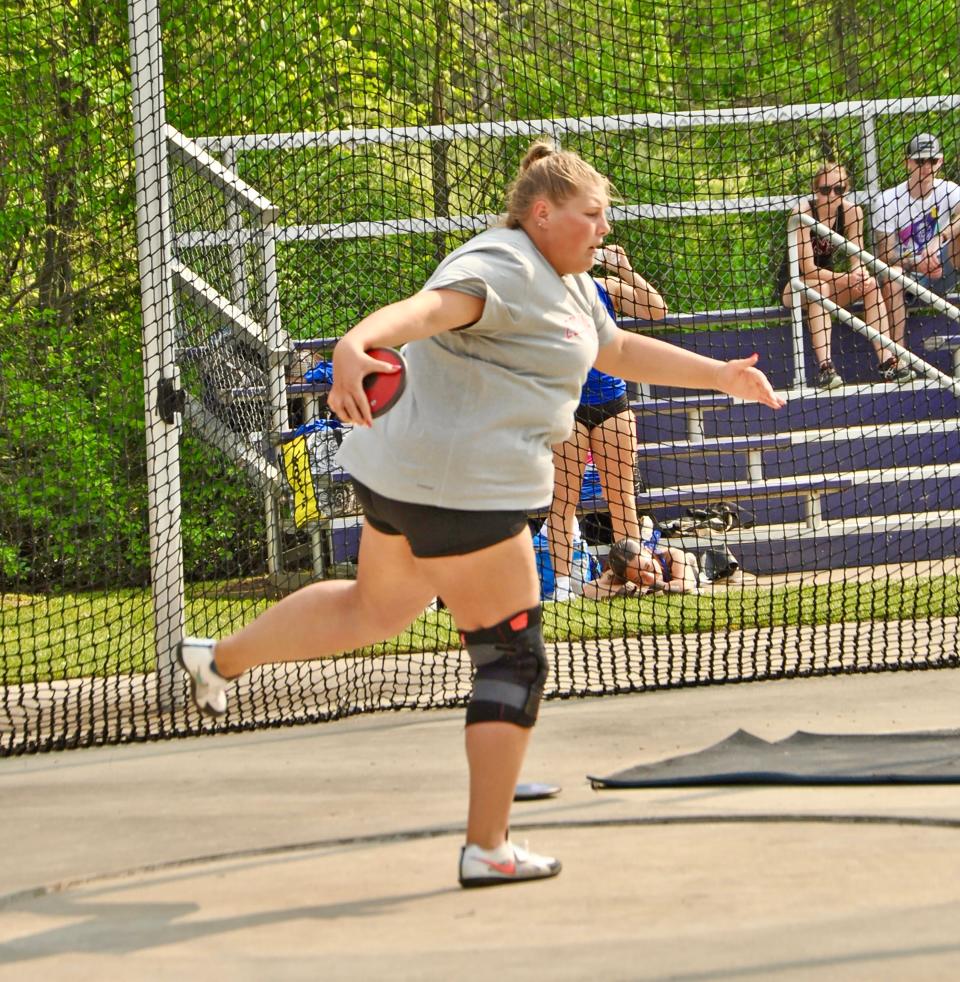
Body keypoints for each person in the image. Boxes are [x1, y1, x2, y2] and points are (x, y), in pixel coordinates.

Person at [174, 139, 784, 890]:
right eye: (590, 215)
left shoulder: (573, 287)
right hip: (463, 486)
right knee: (512, 657)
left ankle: (217, 660)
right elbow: (428, 309)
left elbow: (617, 348)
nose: (602, 228)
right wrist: (359, 340)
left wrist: (720, 375)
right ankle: (488, 845)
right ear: (542, 213)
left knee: (373, 609)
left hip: (409, 477)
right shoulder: (503, 262)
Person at [546, 243, 667, 601]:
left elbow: (656, 309)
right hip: (567, 407)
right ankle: (564, 588)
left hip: (612, 403)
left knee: (622, 499)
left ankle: (635, 580)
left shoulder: (606, 287)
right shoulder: (544, 293)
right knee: (563, 502)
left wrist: (624, 269)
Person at [778, 159, 906, 390]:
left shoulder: (851, 212)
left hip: (827, 283)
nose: (832, 196)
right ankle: (826, 369)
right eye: (825, 190)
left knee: (870, 286)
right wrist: (846, 278)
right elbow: (807, 268)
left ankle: (888, 362)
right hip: (794, 286)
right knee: (819, 288)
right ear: (815, 190)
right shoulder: (802, 213)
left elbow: (857, 258)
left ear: (846, 189)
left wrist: (859, 275)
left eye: (839, 189)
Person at [872, 132, 960, 358]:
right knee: (891, 274)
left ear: (940, 162)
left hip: (945, 268)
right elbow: (884, 256)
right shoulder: (887, 201)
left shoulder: (949, 190)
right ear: (907, 162)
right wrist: (917, 262)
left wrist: (938, 239)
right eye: (920, 161)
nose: (926, 167)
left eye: (932, 161)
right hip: (908, 278)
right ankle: (897, 357)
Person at [580, 518, 701, 599]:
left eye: (648, 566)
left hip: (689, 567)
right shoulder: (618, 574)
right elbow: (588, 590)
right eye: (639, 578)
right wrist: (626, 590)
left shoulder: (672, 556)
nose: (649, 577)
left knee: (688, 557)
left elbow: (685, 585)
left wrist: (652, 589)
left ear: (648, 552)